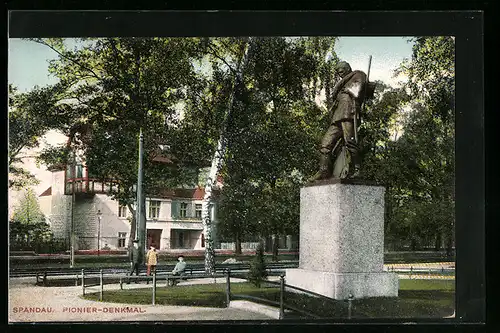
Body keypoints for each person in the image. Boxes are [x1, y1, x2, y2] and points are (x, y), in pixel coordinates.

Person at [309, 61, 368, 181]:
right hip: (337, 117)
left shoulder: (358, 74)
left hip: (348, 113)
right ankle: (323, 171)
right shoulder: (341, 85)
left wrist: (347, 90)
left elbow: (357, 89)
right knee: (325, 144)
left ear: (347, 68)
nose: (339, 73)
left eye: (341, 70)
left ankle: (358, 170)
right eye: (337, 71)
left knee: (350, 142)